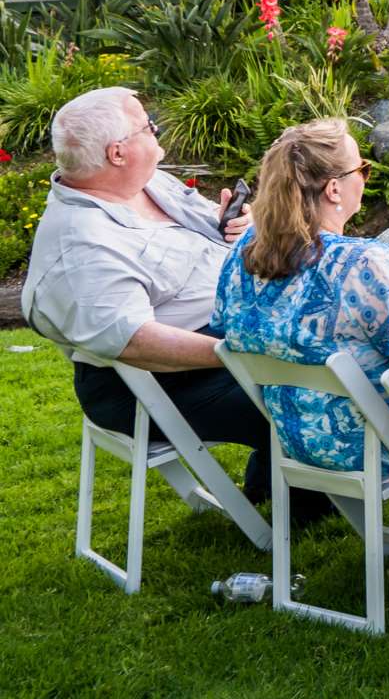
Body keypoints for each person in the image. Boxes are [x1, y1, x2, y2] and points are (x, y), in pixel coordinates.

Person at [23, 87, 326, 519]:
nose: (156, 128)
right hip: (152, 383)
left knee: (325, 351)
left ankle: (287, 489)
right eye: (147, 125)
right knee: (310, 389)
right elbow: (137, 342)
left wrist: (242, 224)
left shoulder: (145, 183)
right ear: (117, 153)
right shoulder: (81, 244)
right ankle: (305, 498)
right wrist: (242, 352)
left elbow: (208, 233)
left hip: (220, 335)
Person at [216, 119, 389, 471]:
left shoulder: (241, 254)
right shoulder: (363, 263)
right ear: (334, 189)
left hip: (297, 441)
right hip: (378, 444)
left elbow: (222, 328)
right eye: (362, 170)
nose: (364, 179)